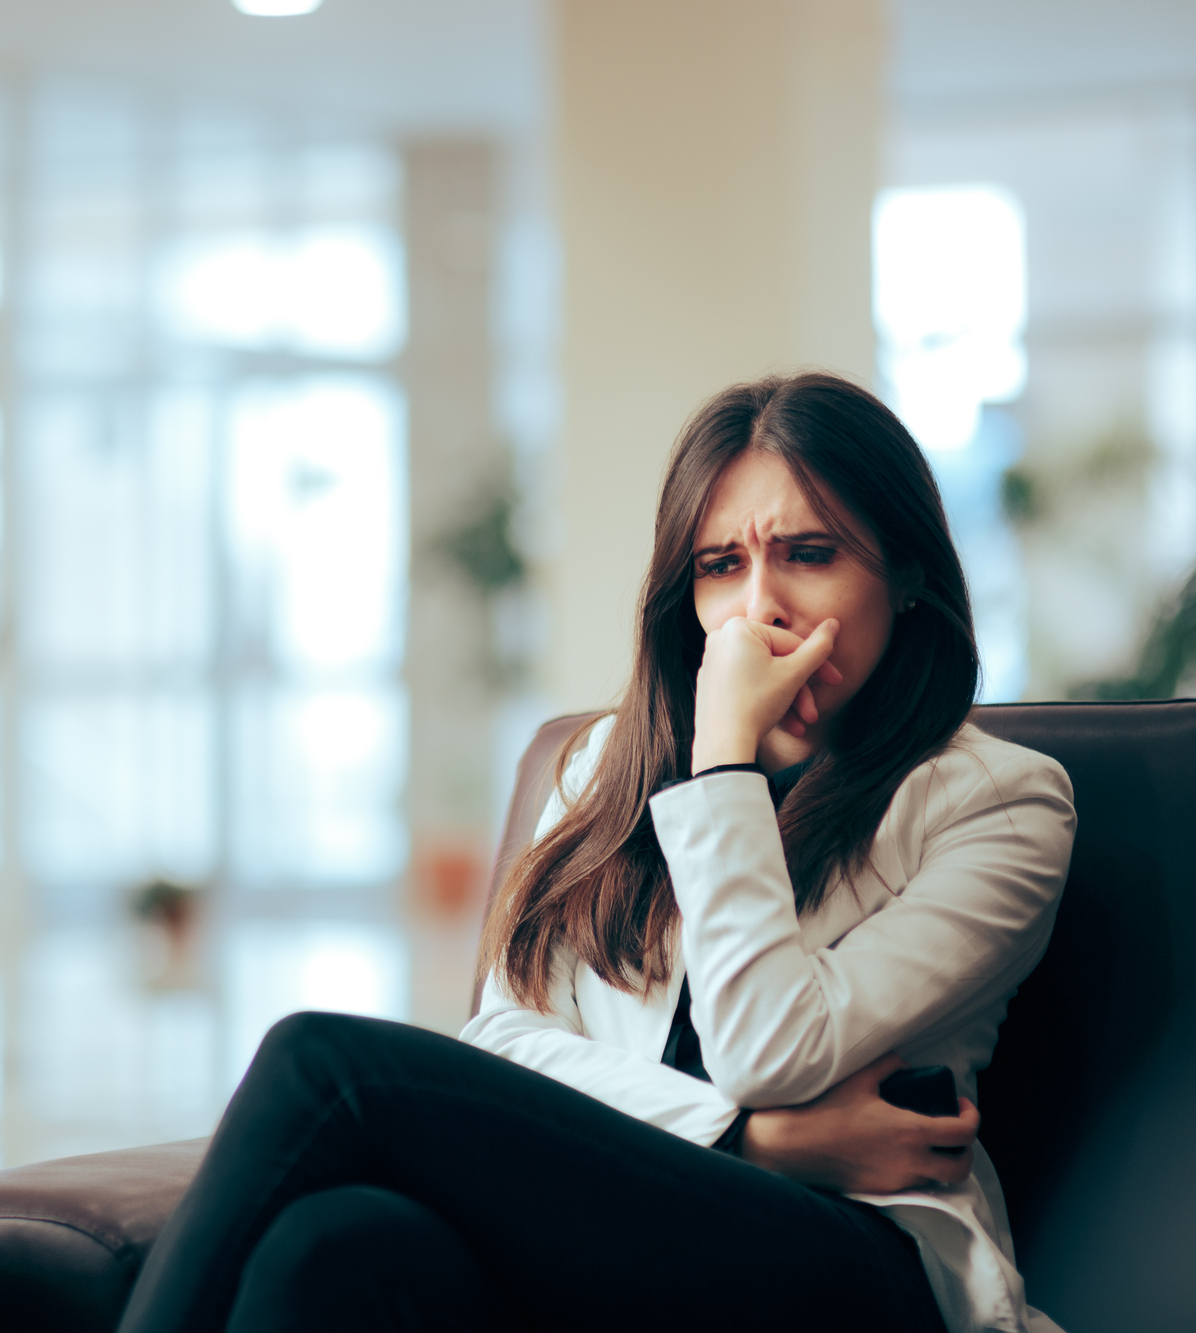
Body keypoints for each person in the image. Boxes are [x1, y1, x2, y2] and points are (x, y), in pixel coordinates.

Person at [118, 372, 1076, 1333]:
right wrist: (749, 1142)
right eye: (718, 567)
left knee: (325, 1064)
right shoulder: (602, 769)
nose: (758, 609)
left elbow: (769, 1048)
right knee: (328, 1247)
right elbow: (508, 1041)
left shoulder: (998, 804)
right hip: (628, 1251)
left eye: (810, 554)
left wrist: (723, 760)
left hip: (857, 1267)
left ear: (906, 574)